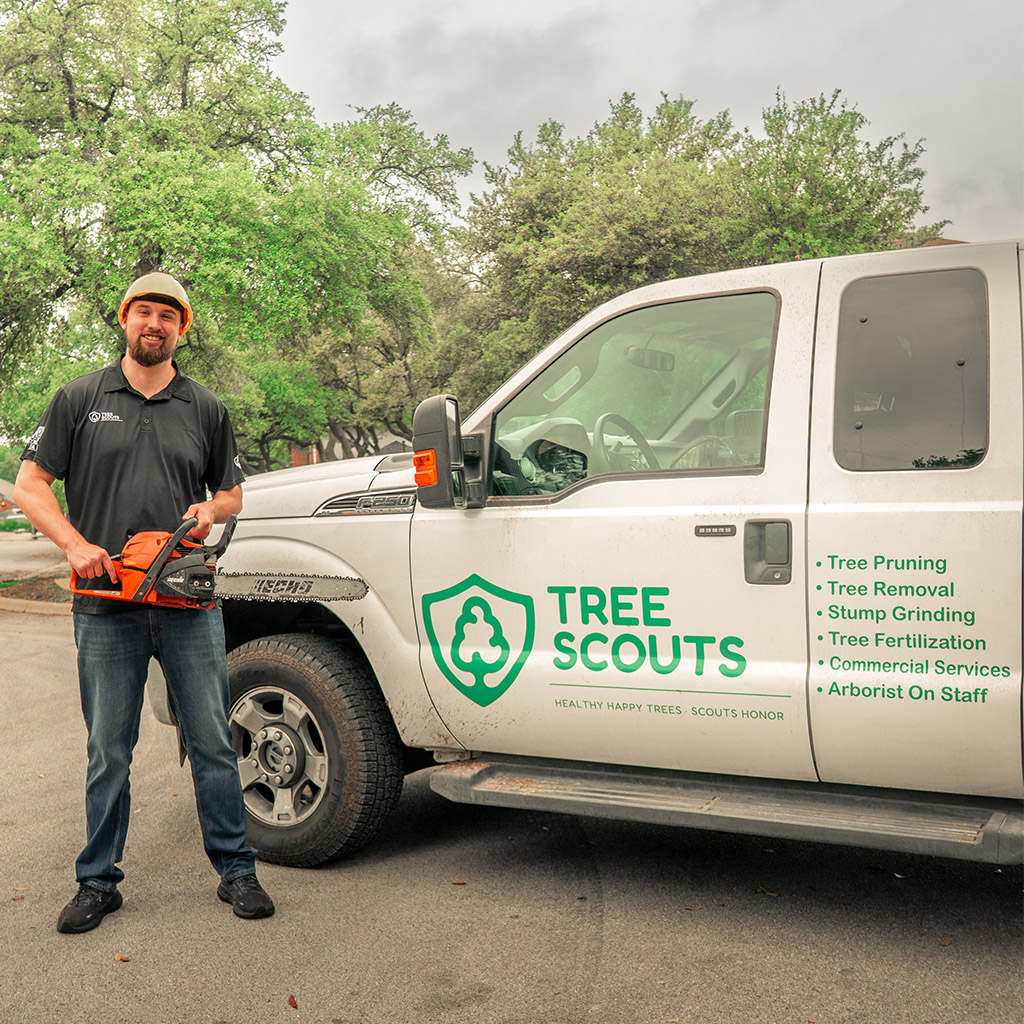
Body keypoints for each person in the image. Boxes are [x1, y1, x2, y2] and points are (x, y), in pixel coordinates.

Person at [14, 271, 274, 932]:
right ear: (125, 321)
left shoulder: (206, 407)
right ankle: (98, 880)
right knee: (110, 748)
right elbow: (30, 485)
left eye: (167, 315)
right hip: (106, 604)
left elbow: (233, 494)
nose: (153, 324)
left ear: (181, 328)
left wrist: (211, 507)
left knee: (213, 738)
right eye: (143, 313)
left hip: (188, 602)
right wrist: (73, 544)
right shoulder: (78, 399)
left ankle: (236, 871)